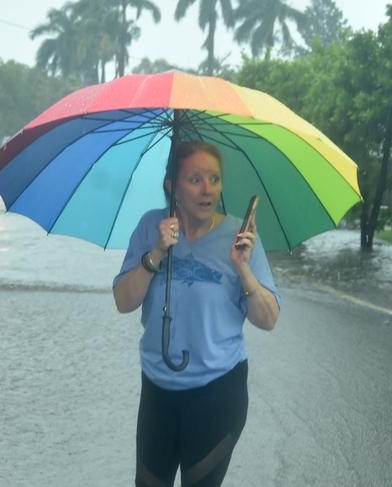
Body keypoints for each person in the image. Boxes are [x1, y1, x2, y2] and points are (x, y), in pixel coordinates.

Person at [113, 141, 282, 487]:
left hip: (217, 394)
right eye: (195, 179)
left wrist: (244, 270)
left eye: (214, 179)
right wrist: (157, 253)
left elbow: (268, 319)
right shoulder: (150, 227)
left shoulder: (239, 237)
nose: (208, 190)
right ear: (171, 187)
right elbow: (123, 301)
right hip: (158, 391)